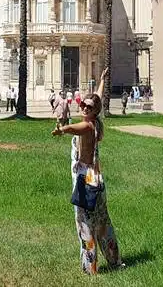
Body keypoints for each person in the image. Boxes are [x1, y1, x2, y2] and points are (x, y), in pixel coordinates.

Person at [51, 68, 122, 275]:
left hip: (85, 178)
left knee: (84, 223)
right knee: (103, 221)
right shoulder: (97, 122)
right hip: (97, 178)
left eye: (87, 107)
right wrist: (101, 80)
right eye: (82, 104)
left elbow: (77, 128)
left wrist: (62, 130)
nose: (83, 107)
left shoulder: (89, 126)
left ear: (94, 111)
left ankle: (90, 267)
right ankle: (115, 260)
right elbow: (97, 97)